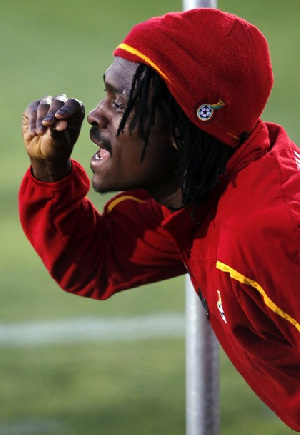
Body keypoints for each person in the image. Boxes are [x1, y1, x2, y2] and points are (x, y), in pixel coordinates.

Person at [19, 8, 300, 431]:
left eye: (120, 103)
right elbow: (95, 262)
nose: (94, 115)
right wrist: (50, 172)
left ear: (183, 128)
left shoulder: (265, 235)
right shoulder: (205, 186)